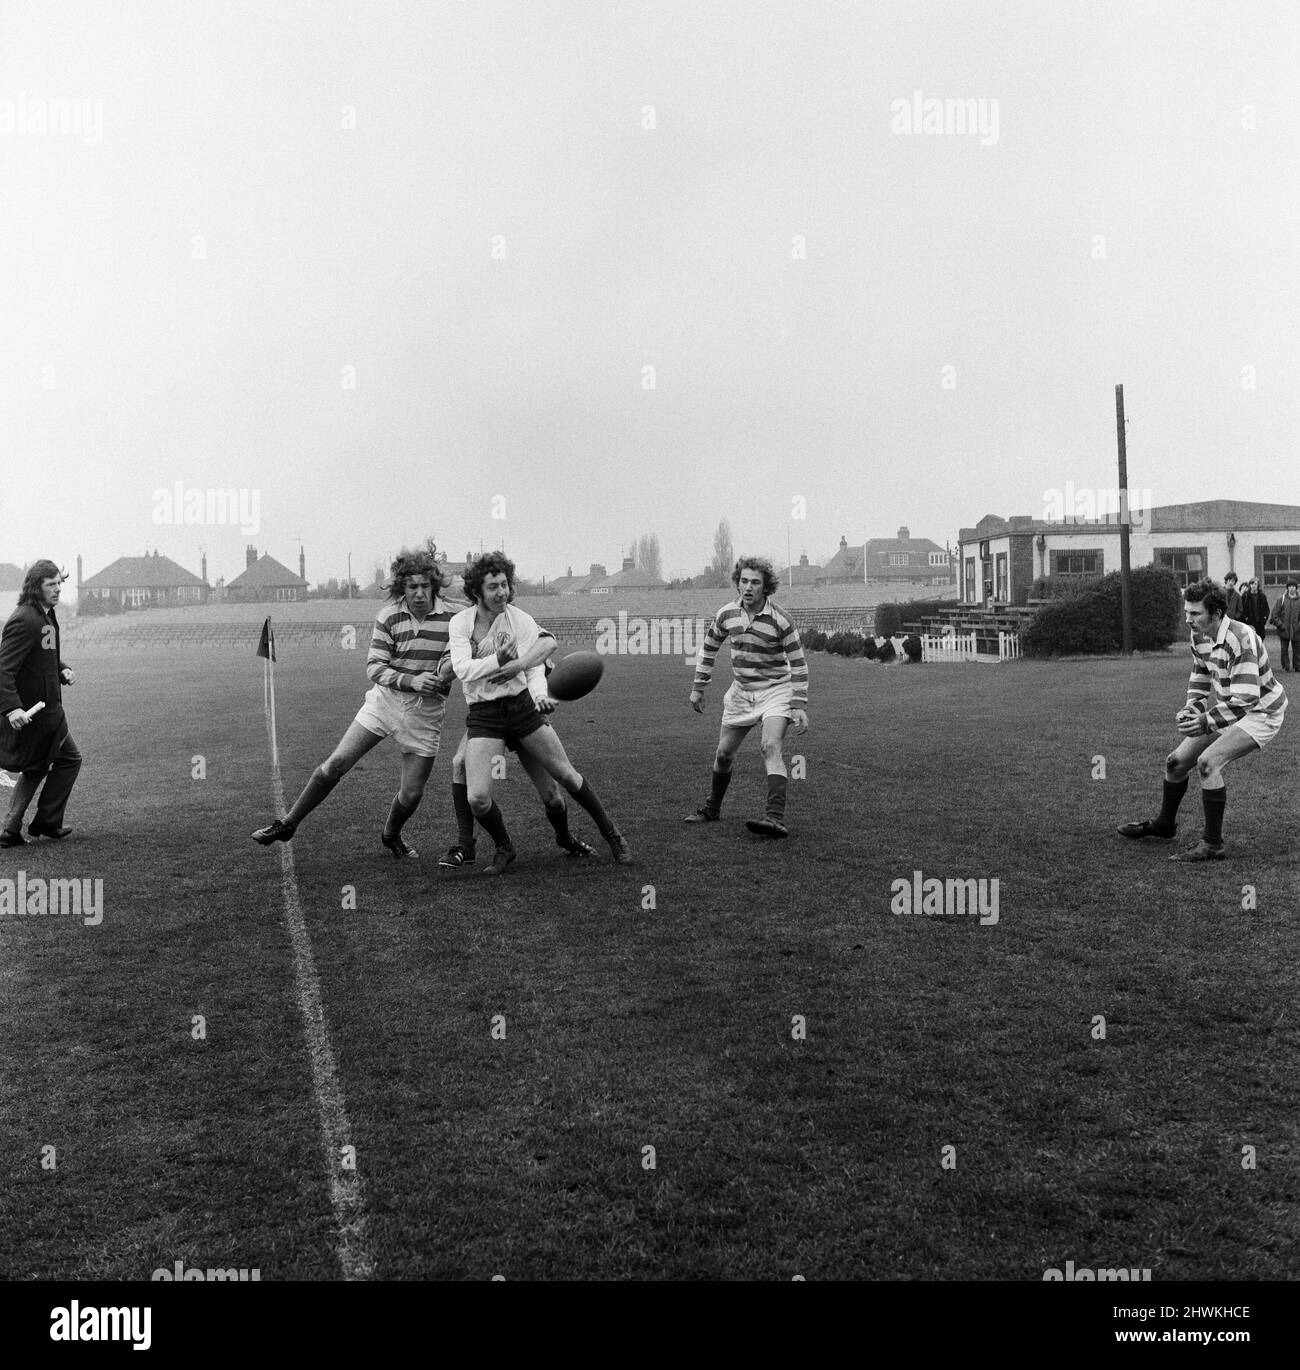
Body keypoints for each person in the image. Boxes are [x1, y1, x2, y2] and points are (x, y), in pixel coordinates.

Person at [252, 547, 455, 857]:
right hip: (385, 702)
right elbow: (374, 667)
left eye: (424, 586)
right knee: (335, 764)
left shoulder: (456, 617)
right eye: (411, 587)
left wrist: (448, 672)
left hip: (425, 713)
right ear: (402, 587)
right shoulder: (388, 616)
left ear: (434, 586)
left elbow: (467, 648)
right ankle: (288, 823)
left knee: (412, 794)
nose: (418, 593)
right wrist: (411, 680)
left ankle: (391, 834)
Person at [448, 551, 629, 875]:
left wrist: (540, 696)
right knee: (478, 798)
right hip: (485, 716)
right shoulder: (461, 624)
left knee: (561, 785)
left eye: (504, 584)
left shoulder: (521, 621)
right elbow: (462, 669)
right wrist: (499, 661)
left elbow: (533, 668)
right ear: (477, 591)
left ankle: (607, 834)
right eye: (493, 587)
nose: (501, 592)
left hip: (522, 708)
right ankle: (505, 847)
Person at [1117, 579, 1286, 861]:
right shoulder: (1200, 635)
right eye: (1187, 612)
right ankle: (1164, 825)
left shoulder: (1241, 638)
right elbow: (1201, 673)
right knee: (1176, 762)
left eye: (1195, 614)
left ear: (1216, 614)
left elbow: (1247, 699)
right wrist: (1193, 707)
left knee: (1208, 763)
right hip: (1230, 709)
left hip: (1262, 713)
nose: (1188, 619)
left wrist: (1207, 721)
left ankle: (1213, 844)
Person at [438, 635, 597, 867]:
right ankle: (467, 845)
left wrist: (529, 672)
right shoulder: (463, 627)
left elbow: (547, 650)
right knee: (459, 763)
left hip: (523, 713)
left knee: (552, 796)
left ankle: (565, 838)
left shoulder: (514, 621)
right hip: (488, 717)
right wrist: (467, 652)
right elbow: (444, 673)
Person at [686, 556, 809, 838]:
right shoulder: (726, 614)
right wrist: (698, 686)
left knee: (770, 747)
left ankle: (774, 819)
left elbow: (799, 663)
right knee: (723, 755)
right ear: (737, 583)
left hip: (777, 691)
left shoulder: (782, 620)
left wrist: (799, 704)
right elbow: (708, 649)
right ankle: (712, 808)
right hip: (741, 692)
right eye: (744, 581)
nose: (748, 587)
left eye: (755, 582)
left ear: (766, 587)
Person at [0, 560, 82, 847]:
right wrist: (11, 708)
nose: (58, 589)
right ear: (36, 588)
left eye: (60, 583)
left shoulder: (45, 616)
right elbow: (4, 668)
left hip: (49, 712)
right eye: (51, 584)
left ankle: (12, 830)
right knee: (69, 759)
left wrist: (62, 669)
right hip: (34, 713)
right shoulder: (25, 618)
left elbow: (44, 655)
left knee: (37, 766)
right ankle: (45, 822)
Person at [1269, 579, 1300, 672]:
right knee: (1284, 650)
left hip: (1297, 630)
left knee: (1297, 650)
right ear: (1287, 588)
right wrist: (1280, 625)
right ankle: (1286, 666)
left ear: (1296, 588)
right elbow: (1274, 615)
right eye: (1290, 586)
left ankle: (1297, 666)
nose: (1292, 588)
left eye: (1293, 587)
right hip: (1284, 630)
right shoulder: (1281, 599)